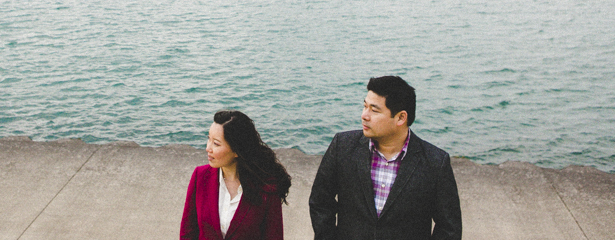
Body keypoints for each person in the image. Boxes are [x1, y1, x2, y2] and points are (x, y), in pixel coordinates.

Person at [309, 76, 462, 240]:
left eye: (374, 110)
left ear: (401, 118)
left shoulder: (435, 163)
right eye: (364, 106)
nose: (364, 115)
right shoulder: (342, 147)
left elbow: (449, 228)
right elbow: (320, 202)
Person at [180, 110, 292, 240]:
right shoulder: (200, 176)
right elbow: (188, 232)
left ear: (237, 150)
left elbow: (274, 236)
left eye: (216, 143)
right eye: (208, 139)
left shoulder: (267, 187)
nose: (208, 148)